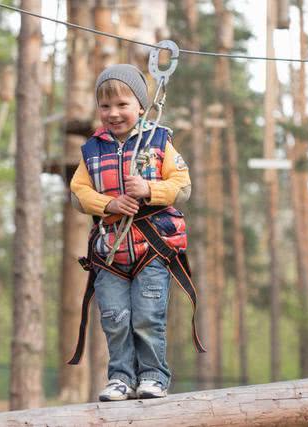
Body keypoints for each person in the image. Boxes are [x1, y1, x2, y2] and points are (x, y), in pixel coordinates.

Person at [69, 64, 204, 402]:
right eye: (105, 106)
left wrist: (149, 189)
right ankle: (121, 378)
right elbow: (77, 194)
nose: (113, 113)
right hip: (111, 252)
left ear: (141, 106)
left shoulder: (158, 142)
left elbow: (183, 186)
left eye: (122, 105)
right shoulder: (92, 150)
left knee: (147, 316)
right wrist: (109, 204)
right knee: (115, 317)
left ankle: (153, 376)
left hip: (150, 250)